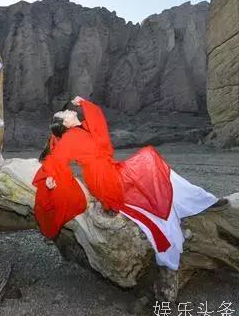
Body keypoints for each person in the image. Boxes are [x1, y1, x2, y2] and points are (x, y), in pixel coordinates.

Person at [33, 96, 227, 270]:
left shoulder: (82, 129)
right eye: (65, 112)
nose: (69, 111)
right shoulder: (70, 137)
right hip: (102, 177)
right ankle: (199, 201)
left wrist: (84, 102)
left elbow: (99, 122)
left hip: (108, 170)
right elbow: (56, 158)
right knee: (149, 159)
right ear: (65, 122)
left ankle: (198, 200)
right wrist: (50, 175)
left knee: (152, 165)